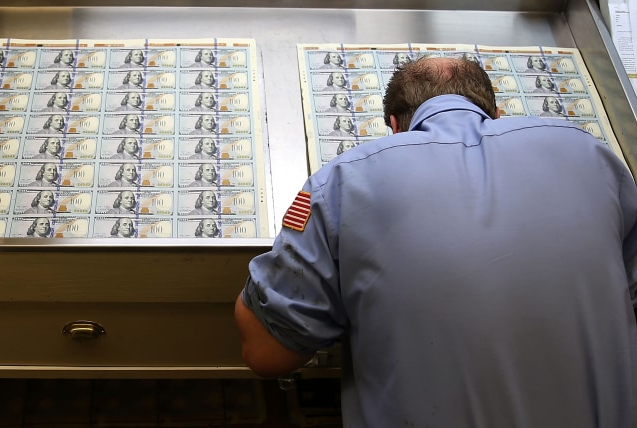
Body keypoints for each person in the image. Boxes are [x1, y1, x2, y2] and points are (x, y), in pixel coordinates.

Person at [234, 57, 637, 427]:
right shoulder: (591, 153)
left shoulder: (345, 180)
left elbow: (267, 353)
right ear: (496, 115)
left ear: (393, 126)